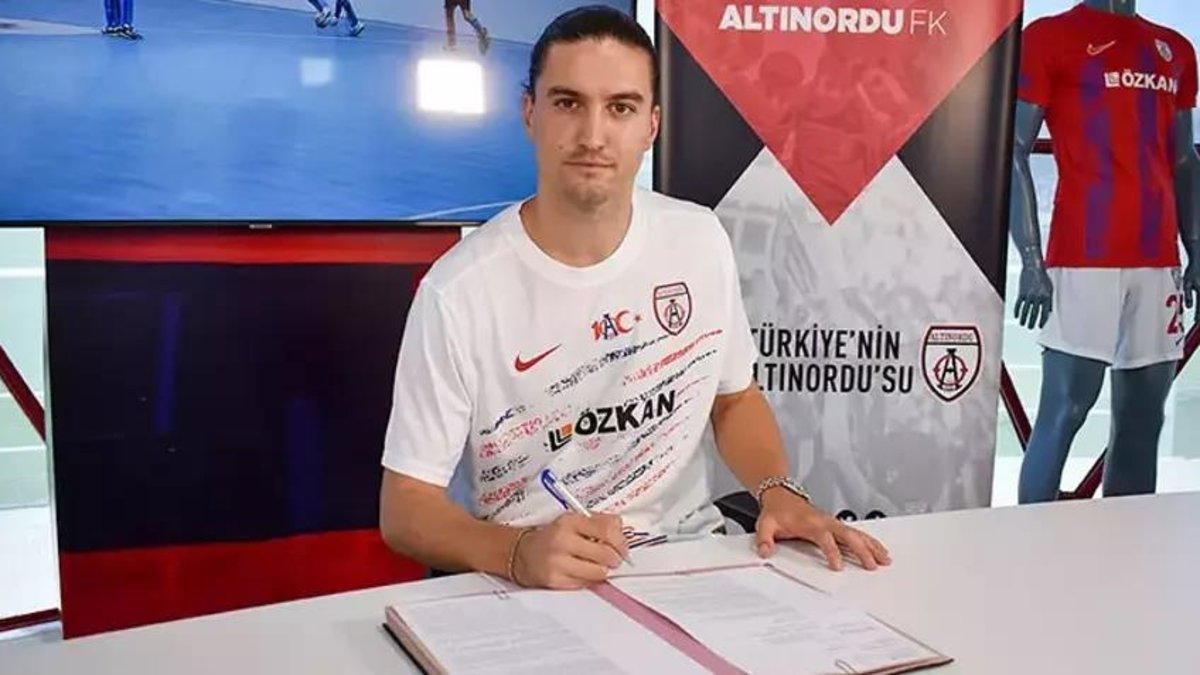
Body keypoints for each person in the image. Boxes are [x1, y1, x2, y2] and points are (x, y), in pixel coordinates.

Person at [378, 6, 890, 591]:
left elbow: (734, 399)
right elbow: (405, 508)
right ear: (529, 113)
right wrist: (515, 551)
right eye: (568, 103)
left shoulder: (698, 238)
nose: (593, 136)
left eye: (620, 108)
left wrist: (779, 491)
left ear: (651, 125)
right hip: (535, 580)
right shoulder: (458, 291)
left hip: (690, 560)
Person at [1011, 0, 1199, 503]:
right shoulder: (1050, 38)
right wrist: (1030, 259)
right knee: (1065, 411)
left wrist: (1196, 248)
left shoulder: (1176, 50)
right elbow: (1014, 151)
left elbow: (1184, 159)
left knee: (1142, 418)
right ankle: (1030, 541)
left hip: (1158, 259)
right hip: (1083, 255)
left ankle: (1126, 544)